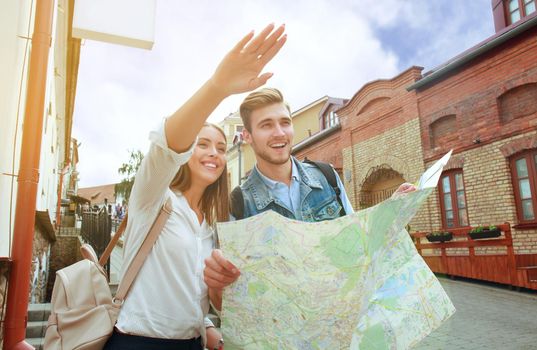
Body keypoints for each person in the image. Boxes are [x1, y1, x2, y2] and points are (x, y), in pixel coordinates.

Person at [104, 23, 286, 350]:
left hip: (192, 343)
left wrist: (206, 326)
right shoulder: (154, 198)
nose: (214, 153)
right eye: (202, 144)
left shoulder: (215, 224)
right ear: (187, 153)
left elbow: (188, 290)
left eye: (220, 147)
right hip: (137, 343)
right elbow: (167, 144)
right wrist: (218, 87)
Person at [203, 88, 416, 302]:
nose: (279, 132)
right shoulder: (236, 205)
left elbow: (357, 243)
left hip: (338, 318)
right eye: (266, 125)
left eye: (285, 122)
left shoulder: (327, 177)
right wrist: (216, 287)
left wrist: (389, 211)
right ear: (247, 136)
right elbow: (225, 303)